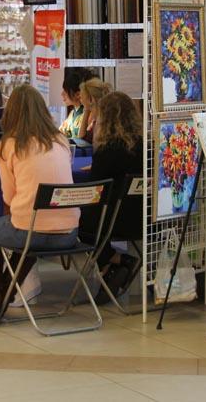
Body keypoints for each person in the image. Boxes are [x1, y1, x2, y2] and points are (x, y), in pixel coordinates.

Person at [0, 85, 78, 328]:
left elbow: (10, 198)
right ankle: (1, 298)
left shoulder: (9, 145)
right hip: (69, 233)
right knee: (26, 237)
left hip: (31, 231)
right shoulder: (61, 141)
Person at [79, 91, 142, 304]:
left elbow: (95, 189)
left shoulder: (107, 151)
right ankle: (111, 269)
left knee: (77, 222)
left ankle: (116, 260)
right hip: (143, 219)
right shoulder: (146, 147)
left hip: (110, 221)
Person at [59, 67, 95, 139]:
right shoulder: (73, 113)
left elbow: (82, 137)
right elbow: (61, 132)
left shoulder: (91, 114)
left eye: (66, 91)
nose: (62, 94)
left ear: (78, 94)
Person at [77, 78, 112, 142]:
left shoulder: (101, 121)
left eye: (82, 97)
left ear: (90, 99)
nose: (80, 99)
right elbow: (81, 139)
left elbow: (82, 139)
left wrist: (86, 110)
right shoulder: (97, 119)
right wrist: (86, 110)